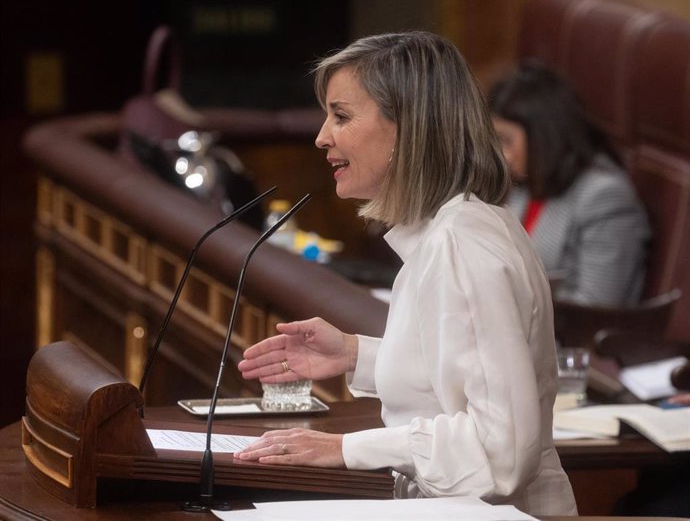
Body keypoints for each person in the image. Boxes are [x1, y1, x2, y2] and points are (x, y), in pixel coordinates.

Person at [236, 32, 577, 516]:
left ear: (407, 128)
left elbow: (501, 453)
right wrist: (356, 354)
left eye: (342, 116)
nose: (321, 136)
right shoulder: (459, 228)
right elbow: (457, 376)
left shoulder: (461, 246)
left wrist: (345, 449)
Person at [488, 61, 650, 306]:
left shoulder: (604, 197)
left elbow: (595, 307)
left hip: (568, 339)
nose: (502, 154)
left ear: (544, 135)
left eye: (507, 140)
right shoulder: (521, 184)